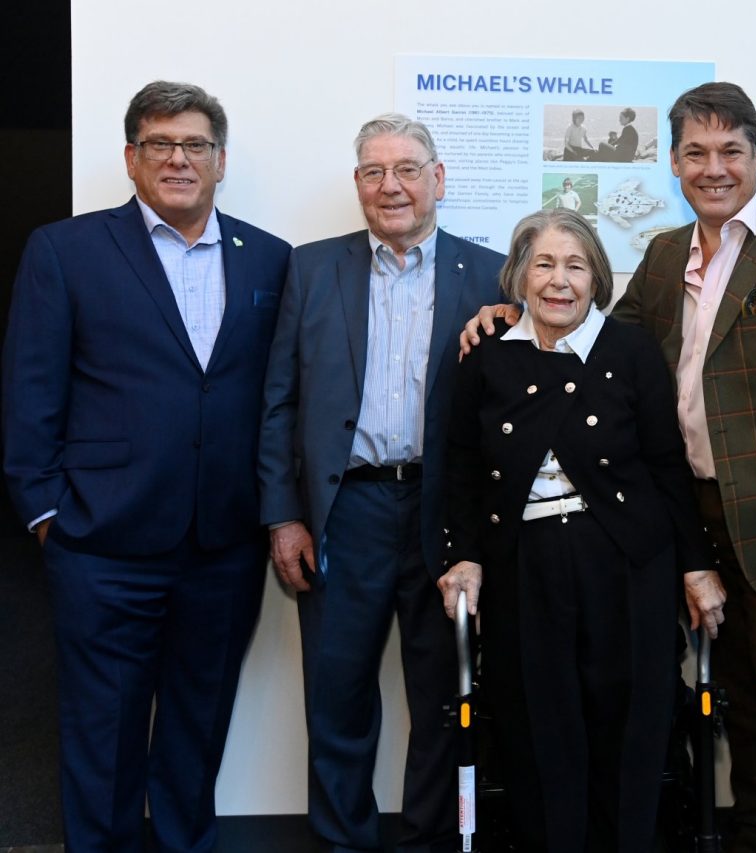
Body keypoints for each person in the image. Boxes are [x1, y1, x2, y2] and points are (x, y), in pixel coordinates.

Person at [462, 81, 756, 853]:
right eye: (695, 153)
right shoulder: (662, 254)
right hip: (682, 521)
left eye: (729, 151)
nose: (713, 168)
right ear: (674, 164)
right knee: (732, 712)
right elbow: (598, 345)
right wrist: (511, 314)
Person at [1, 80, 290, 852]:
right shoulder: (64, 250)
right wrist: (46, 512)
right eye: (159, 144)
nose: (178, 158)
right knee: (104, 730)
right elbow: (31, 392)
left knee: (198, 727)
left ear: (220, 160)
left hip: (224, 545)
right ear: (131, 158)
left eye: (194, 144)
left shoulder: (268, 256)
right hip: (101, 542)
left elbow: (275, 396)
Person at [257, 113, 504, 852]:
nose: (389, 185)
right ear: (358, 182)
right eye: (373, 171)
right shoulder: (311, 268)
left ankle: (426, 840)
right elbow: (279, 402)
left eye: (406, 168)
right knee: (337, 695)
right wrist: (283, 515)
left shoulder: (492, 273)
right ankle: (343, 841)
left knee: (440, 698)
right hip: (345, 511)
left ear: (439, 179)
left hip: (445, 513)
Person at [438, 208, 712, 853]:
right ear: (518, 276)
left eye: (576, 265)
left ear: (596, 280)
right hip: (523, 563)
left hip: (624, 562)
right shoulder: (485, 357)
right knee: (538, 728)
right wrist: (464, 558)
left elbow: (668, 465)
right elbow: (461, 467)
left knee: (631, 726)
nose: (560, 281)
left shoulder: (630, 350)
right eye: (544, 264)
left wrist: (697, 567)